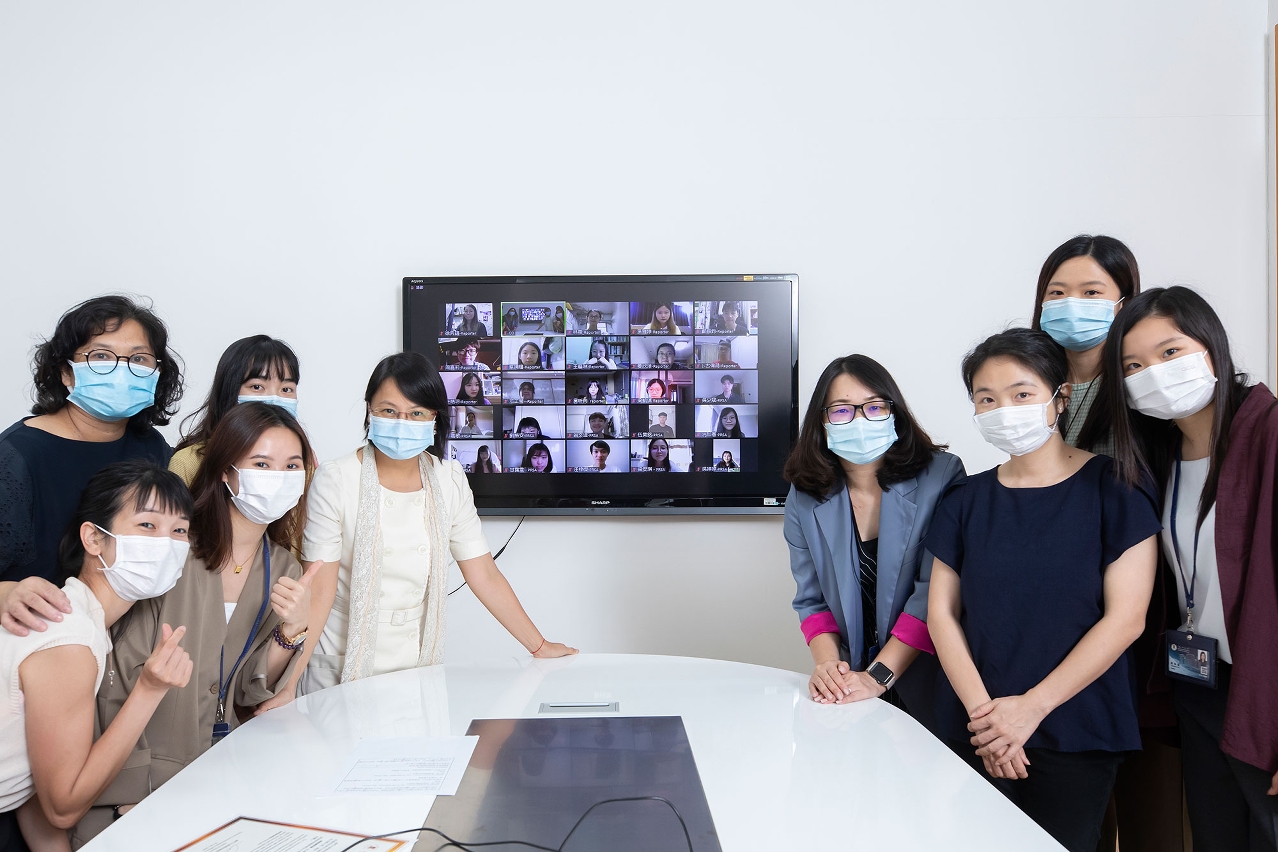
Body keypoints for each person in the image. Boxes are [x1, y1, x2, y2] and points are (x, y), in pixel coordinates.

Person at [925, 328, 1159, 852]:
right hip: (976, 726)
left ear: (1061, 397)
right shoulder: (964, 501)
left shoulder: (1116, 489)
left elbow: (1126, 619)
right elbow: (941, 614)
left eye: (1021, 393)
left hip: (1076, 725)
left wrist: (1029, 709)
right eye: (987, 399)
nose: (1004, 409)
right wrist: (988, 720)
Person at [277, 353, 573, 700]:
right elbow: (320, 590)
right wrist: (288, 685)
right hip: (340, 665)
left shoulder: (449, 479)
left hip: (418, 664)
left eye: (416, 413)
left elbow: (483, 574)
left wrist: (538, 645)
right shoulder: (336, 478)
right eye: (389, 411)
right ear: (370, 410)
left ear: (434, 418)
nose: (402, 422)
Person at [1106, 286, 1278, 852]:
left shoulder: (1268, 432)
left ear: (1211, 345)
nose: (1153, 373)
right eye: (1133, 366)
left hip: (1264, 691)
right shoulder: (1159, 458)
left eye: (1170, 352)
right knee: (1215, 836)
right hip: (1200, 683)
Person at [0, 461, 192, 852]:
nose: (166, 543)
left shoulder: (81, 621)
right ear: (93, 538)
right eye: (147, 525)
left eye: (179, 531)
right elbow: (63, 808)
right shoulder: (69, 639)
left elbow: (35, 784)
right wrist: (149, 690)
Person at [782, 355, 963, 737]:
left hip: (928, 674)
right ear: (821, 422)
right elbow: (811, 599)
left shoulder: (942, 477)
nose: (860, 420)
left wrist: (878, 677)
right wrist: (829, 668)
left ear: (894, 412)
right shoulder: (804, 496)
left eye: (874, 407)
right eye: (842, 410)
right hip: (853, 681)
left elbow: (933, 595)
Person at [0, 296, 180, 590]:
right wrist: (8, 595)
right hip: (41, 617)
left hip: (124, 616)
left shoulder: (151, 447)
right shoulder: (17, 457)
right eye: (101, 356)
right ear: (66, 372)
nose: (121, 371)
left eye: (138, 359)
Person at [1031, 235, 1141, 458]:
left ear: (1124, 302)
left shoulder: (1138, 382)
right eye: (1057, 293)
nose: (1071, 304)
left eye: (1091, 292)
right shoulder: (1031, 385)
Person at [170, 335, 300, 486]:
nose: (274, 399)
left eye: (286, 389)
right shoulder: (188, 463)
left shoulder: (302, 464)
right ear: (229, 391)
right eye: (257, 387)